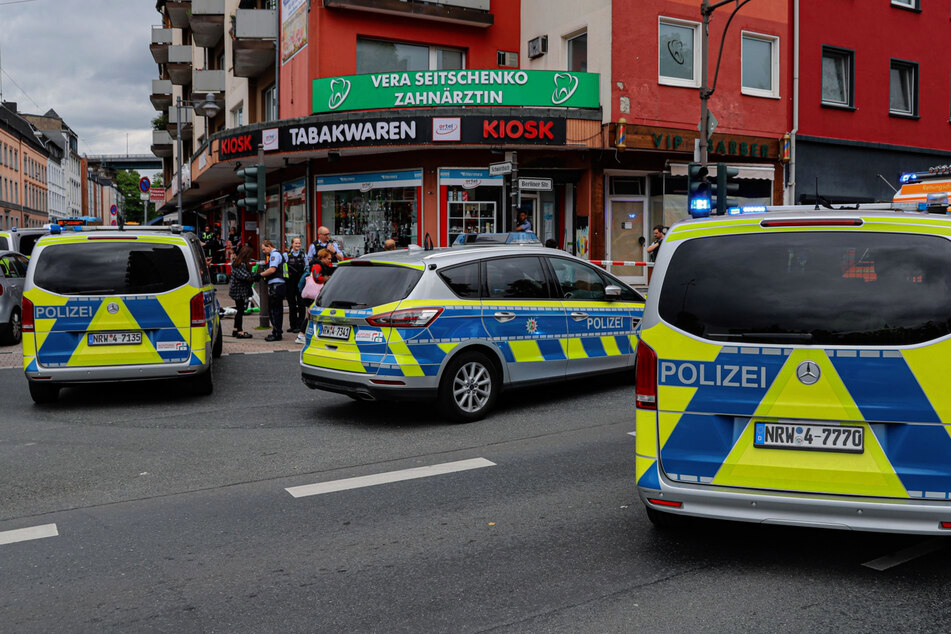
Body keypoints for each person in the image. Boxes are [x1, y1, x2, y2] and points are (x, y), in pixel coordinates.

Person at [258, 240, 286, 341]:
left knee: (275, 311)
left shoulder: (274, 255)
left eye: (264, 249)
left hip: (276, 286)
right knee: (275, 310)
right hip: (277, 285)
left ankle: (277, 333)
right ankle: (276, 331)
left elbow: (272, 269)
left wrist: (260, 275)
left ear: (269, 246)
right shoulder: (276, 254)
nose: (263, 251)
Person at [228, 245, 255, 339]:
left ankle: (235, 329)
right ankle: (240, 331)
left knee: (239, 310)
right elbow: (245, 277)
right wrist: (255, 276)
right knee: (240, 311)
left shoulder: (237, 263)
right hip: (239, 291)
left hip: (236, 290)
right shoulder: (240, 264)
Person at [284, 237, 307, 334]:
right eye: (296, 243)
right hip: (290, 282)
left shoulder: (303, 255)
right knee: (292, 304)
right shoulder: (286, 255)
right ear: (292, 244)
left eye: (299, 243)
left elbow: (307, 267)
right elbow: (284, 268)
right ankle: (292, 325)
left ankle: (300, 326)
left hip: (300, 281)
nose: (298, 245)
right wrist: (286, 279)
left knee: (301, 304)